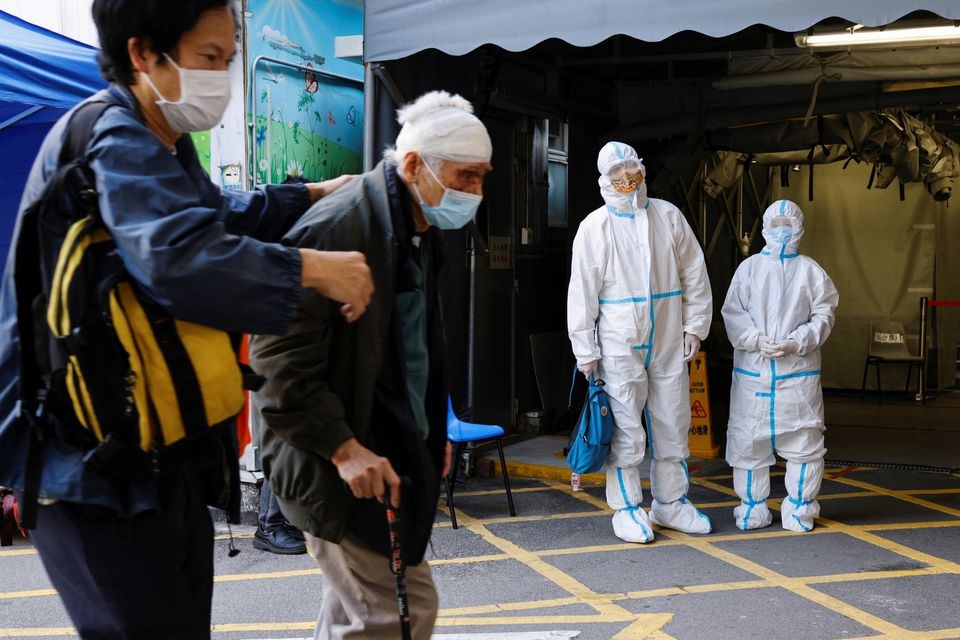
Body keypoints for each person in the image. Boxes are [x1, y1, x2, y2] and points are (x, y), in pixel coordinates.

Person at [0, 1, 373, 638]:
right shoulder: (113, 134)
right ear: (144, 54)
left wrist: (313, 193)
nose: (222, 78)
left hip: (151, 456)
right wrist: (313, 268)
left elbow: (217, 214)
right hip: (86, 470)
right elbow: (177, 256)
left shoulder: (160, 140)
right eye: (209, 59)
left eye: (229, 59)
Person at [249, 90, 492, 640]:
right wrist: (343, 448)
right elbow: (275, 361)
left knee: (358, 613)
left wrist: (432, 429)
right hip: (334, 461)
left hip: (388, 449)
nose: (476, 192)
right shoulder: (339, 227)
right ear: (412, 166)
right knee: (400, 612)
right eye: (467, 176)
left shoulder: (420, 229)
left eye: (482, 176)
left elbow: (411, 349)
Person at [567, 141, 713, 544]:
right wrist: (586, 350)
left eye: (631, 166)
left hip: (667, 335)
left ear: (643, 169)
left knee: (672, 420)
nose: (626, 175)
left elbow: (694, 274)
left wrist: (695, 326)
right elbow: (581, 292)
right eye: (617, 170)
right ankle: (628, 508)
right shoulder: (594, 227)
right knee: (626, 427)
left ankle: (671, 504)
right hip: (619, 340)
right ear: (604, 178)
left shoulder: (667, 216)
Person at [721, 199, 838, 532]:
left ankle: (800, 509)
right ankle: (752, 508)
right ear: (764, 228)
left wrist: (797, 341)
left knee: (803, 444)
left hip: (795, 374)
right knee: (748, 444)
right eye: (776, 224)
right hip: (753, 373)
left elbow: (824, 315)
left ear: (799, 228)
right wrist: (755, 339)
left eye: (788, 225)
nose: (782, 231)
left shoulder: (811, 271)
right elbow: (732, 313)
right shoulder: (749, 269)